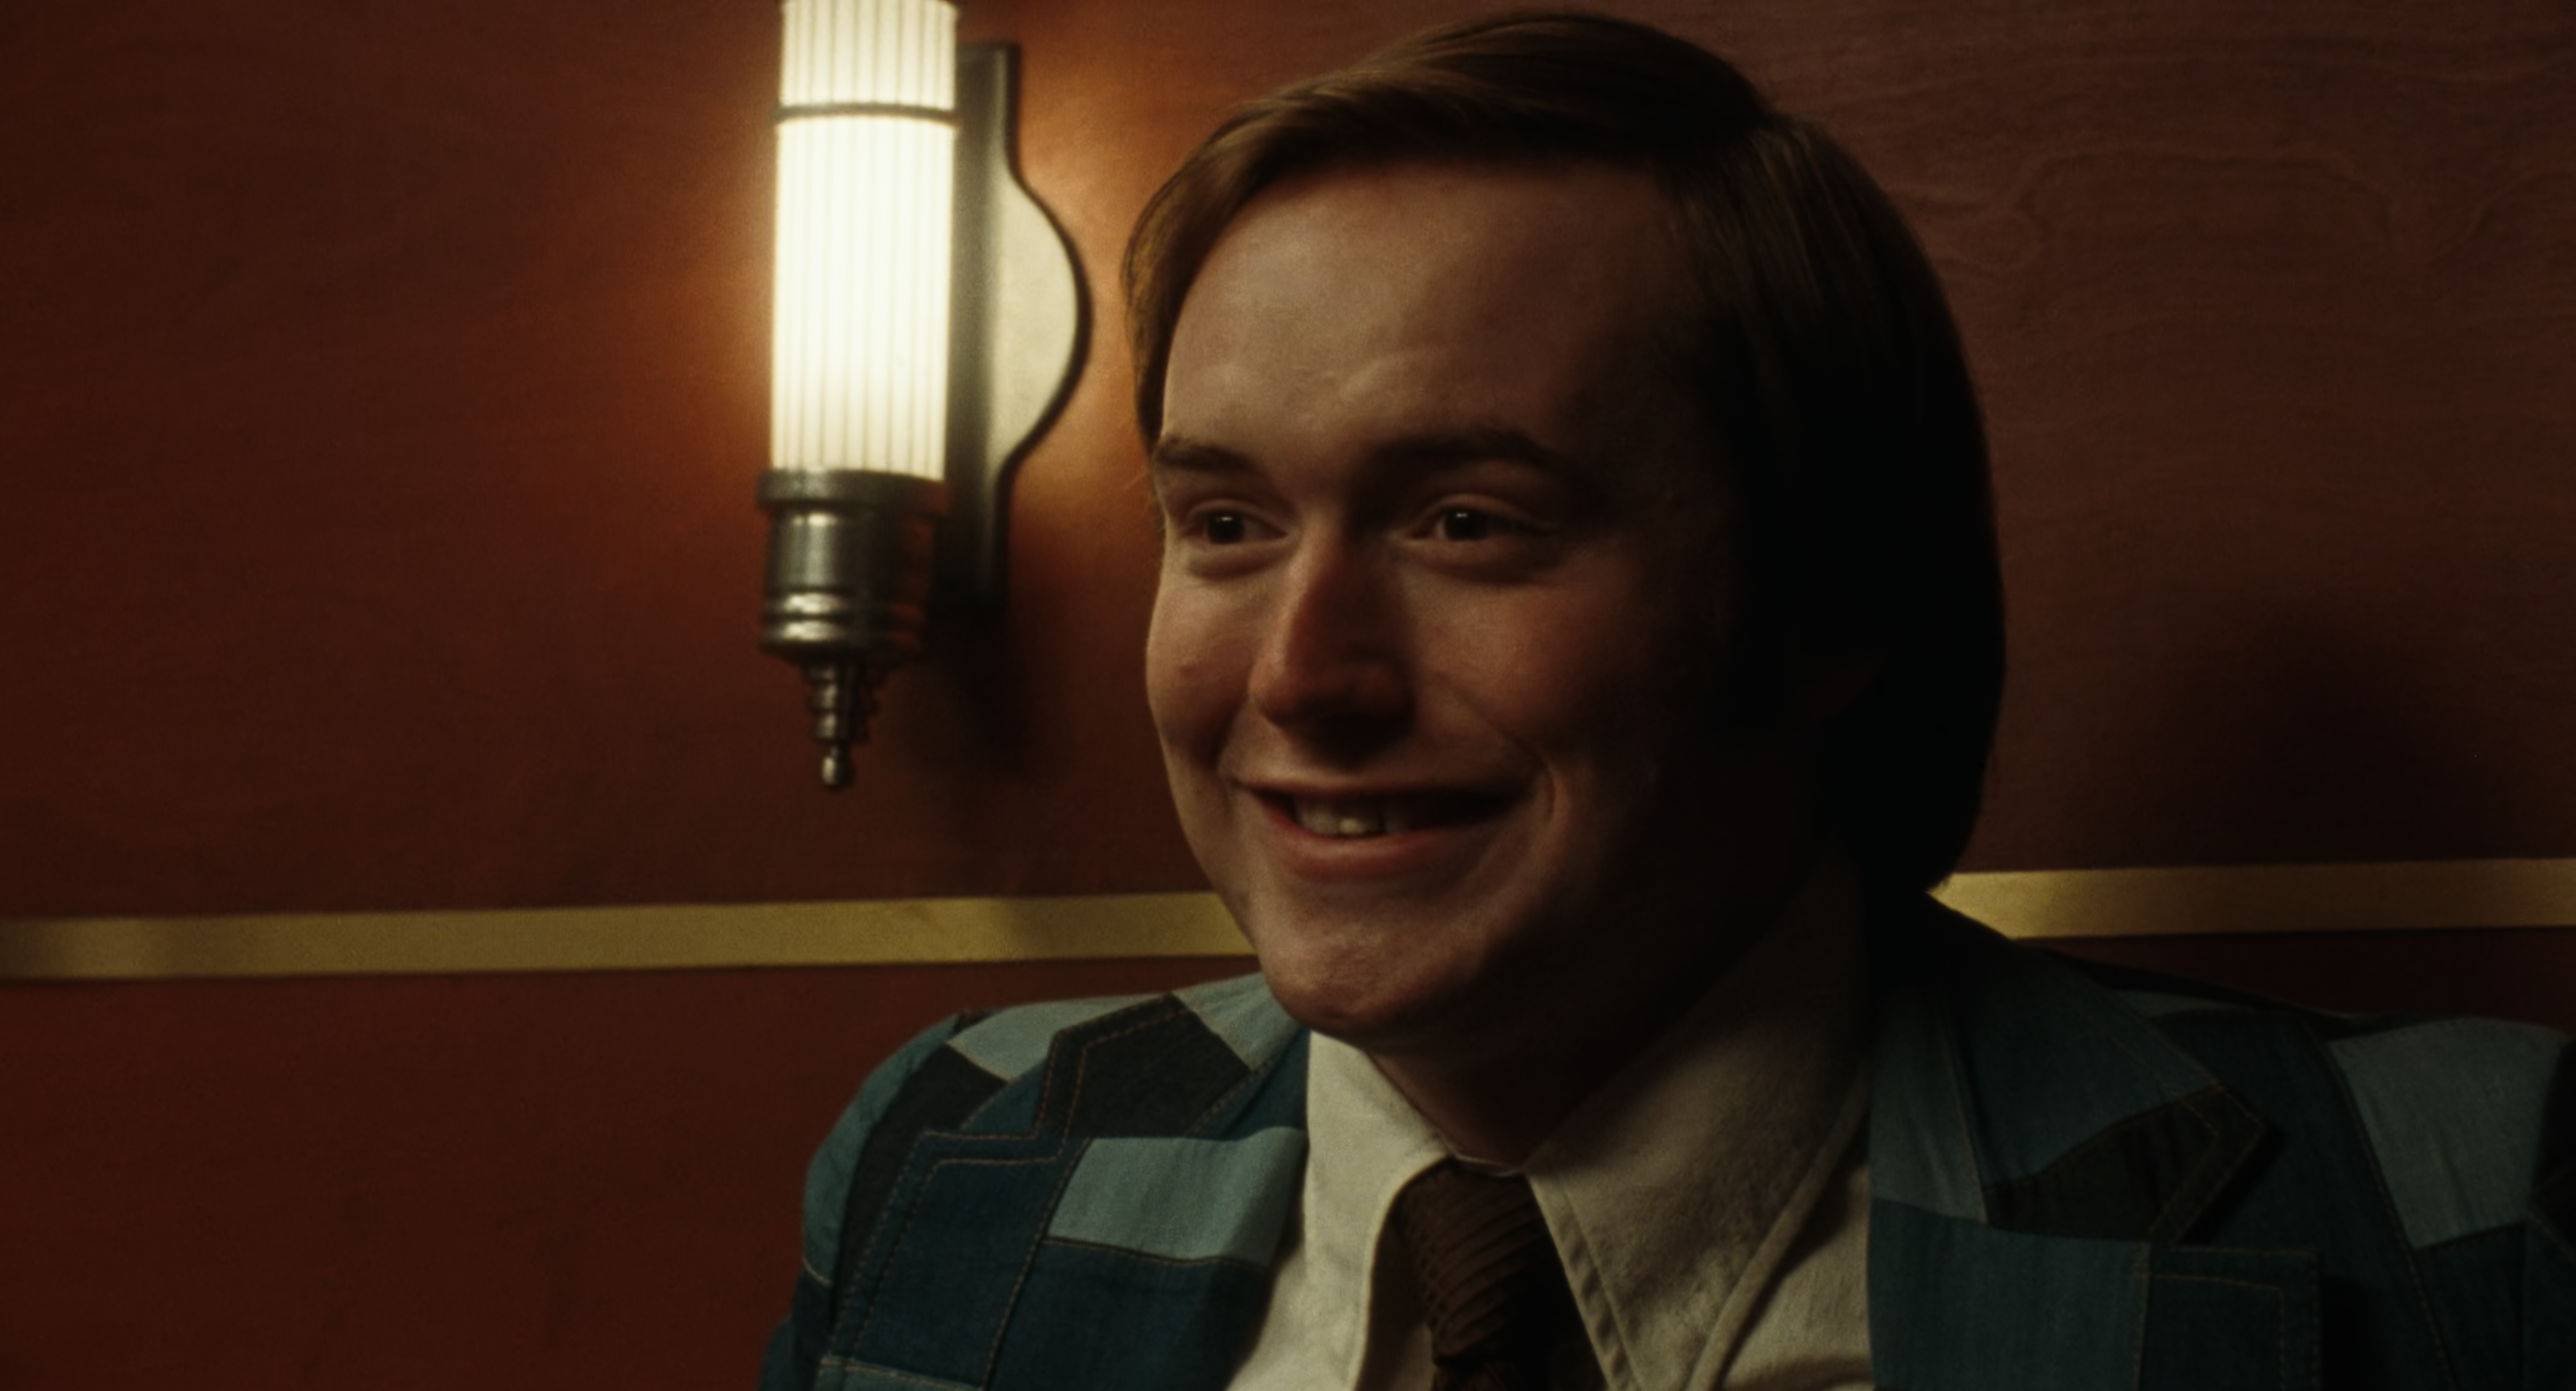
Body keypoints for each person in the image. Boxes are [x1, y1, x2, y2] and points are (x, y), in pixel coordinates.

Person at [760, 15, 2573, 1390]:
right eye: (1227, 524)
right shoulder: (956, 1151)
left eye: (1469, 523)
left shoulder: (2466, 1205)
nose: (1303, 676)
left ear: (1829, 598)